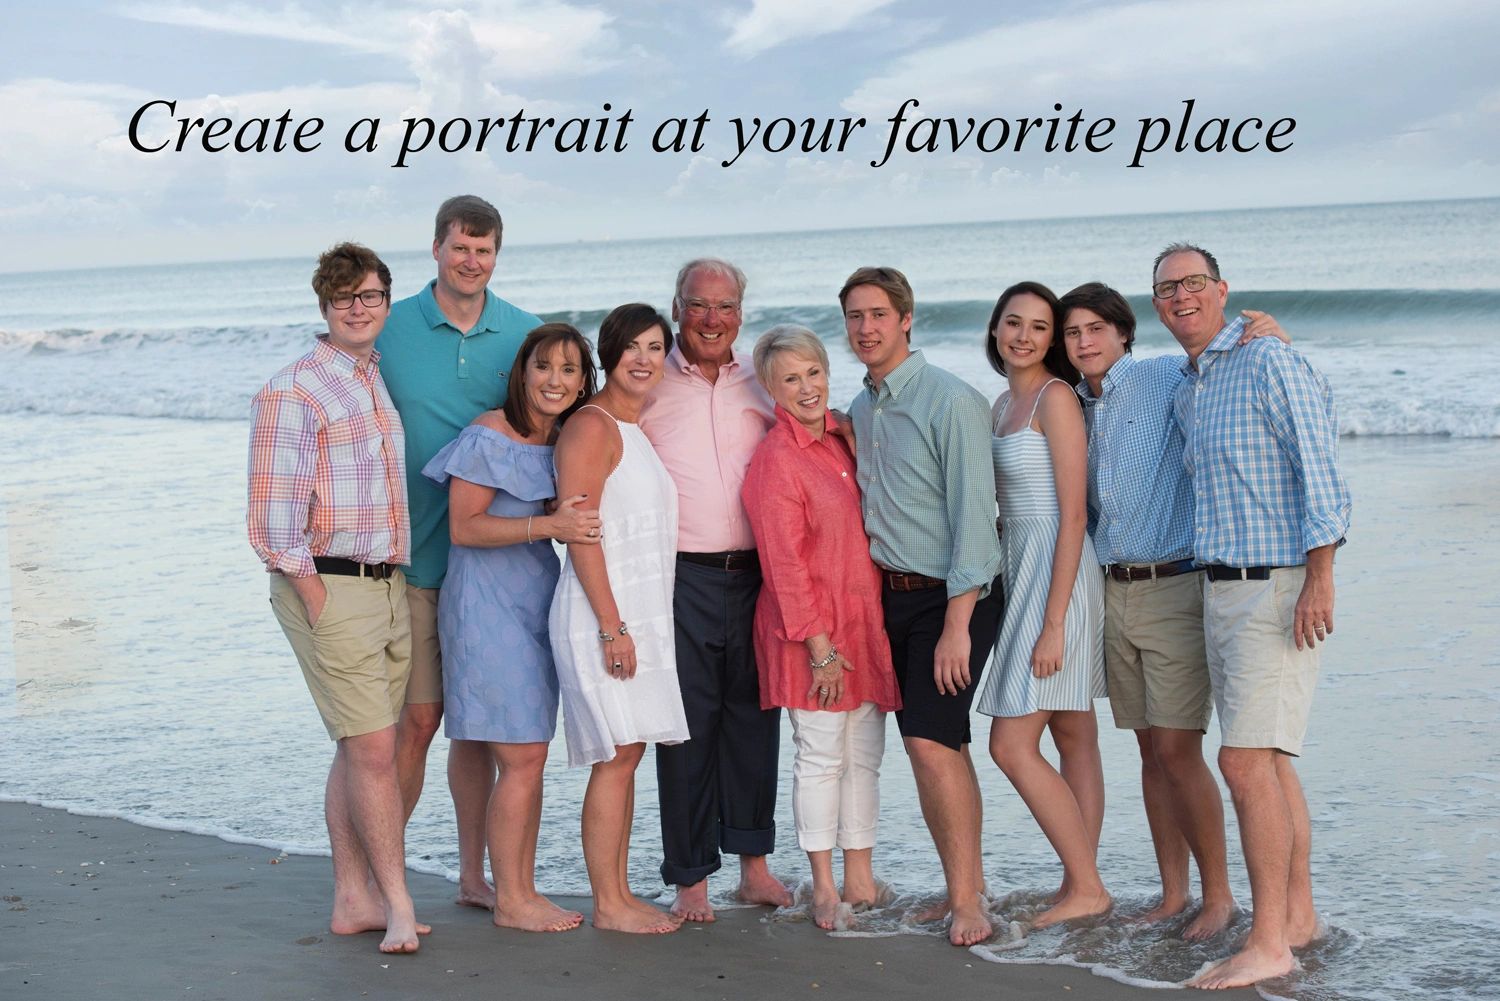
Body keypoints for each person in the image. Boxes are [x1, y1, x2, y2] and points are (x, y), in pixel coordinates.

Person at [1151, 243, 1351, 989]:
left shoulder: (1268, 360)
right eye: (1167, 289)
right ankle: (1297, 916)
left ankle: (1268, 943)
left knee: (1242, 763)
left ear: (1223, 290)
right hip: (1219, 589)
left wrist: (1321, 577)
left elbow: (1321, 471)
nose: (1181, 297)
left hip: (1278, 584)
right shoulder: (1189, 384)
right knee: (1268, 760)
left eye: (1195, 283)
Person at [1061, 282, 1284, 940]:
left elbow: (1222, 353)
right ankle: (1172, 892)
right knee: (1149, 753)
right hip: (1113, 590)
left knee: (1181, 750)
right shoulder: (1075, 405)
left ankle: (1219, 897)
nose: (1085, 342)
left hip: (1174, 583)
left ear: (1124, 332)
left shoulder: (1161, 376)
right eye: (1073, 332)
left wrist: (1269, 332)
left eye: (1097, 328)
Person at [248, 242, 427, 954]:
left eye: (373, 295)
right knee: (376, 750)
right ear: (324, 304)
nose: (361, 307)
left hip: (385, 584)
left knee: (359, 748)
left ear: (386, 302)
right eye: (347, 296)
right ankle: (399, 903)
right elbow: (269, 518)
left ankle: (353, 897)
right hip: (330, 585)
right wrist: (314, 591)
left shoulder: (370, 378)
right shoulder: (294, 389)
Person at [376, 195, 550, 910]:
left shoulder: (524, 333)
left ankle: (474, 876)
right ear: (437, 247)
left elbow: (567, 415)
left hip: (497, 574)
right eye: (459, 247)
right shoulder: (388, 327)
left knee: (480, 731)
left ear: (496, 255)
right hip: (410, 561)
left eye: (483, 250)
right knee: (417, 723)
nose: (470, 260)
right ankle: (380, 874)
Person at [840, 266, 1004, 947]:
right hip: (891, 599)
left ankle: (970, 901)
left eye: (879, 314)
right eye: (855, 316)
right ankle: (964, 886)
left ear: (907, 318)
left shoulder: (951, 400)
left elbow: (976, 520)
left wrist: (958, 626)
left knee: (932, 743)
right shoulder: (861, 406)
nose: (867, 327)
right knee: (937, 748)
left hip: (952, 597)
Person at [421, 323, 600, 933]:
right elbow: (465, 528)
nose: (556, 380)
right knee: (524, 754)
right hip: (484, 605)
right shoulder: (487, 435)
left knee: (480, 741)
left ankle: (480, 881)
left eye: (569, 370)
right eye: (544, 366)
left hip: (534, 603)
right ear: (523, 371)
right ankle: (516, 900)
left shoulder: (564, 441)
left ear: (583, 381)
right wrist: (548, 528)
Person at [638, 258, 792, 922]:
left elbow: (809, 439)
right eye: (698, 305)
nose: (710, 318)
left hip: (759, 574)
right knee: (686, 727)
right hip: (679, 575)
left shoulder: (764, 380)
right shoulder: (647, 382)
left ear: (741, 313)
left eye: (724, 306)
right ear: (676, 308)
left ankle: (754, 865)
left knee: (756, 718)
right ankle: (692, 874)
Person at [740, 325, 902, 931]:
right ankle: (825, 887)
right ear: (770, 389)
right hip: (812, 635)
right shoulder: (776, 460)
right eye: (790, 379)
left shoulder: (841, 437)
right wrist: (821, 649)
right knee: (821, 755)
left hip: (864, 622)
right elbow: (783, 566)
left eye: (813, 372)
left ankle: (860, 875)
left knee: (865, 755)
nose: (806, 387)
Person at [549, 303, 691, 934]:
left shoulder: (634, 428)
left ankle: (620, 893)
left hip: (636, 612)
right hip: (599, 614)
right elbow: (580, 533)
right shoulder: (591, 426)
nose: (643, 358)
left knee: (628, 752)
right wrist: (612, 626)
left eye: (656, 347)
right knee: (616, 755)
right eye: (631, 346)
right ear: (609, 352)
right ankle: (608, 905)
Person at [975, 281, 1110, 929]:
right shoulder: (1004, 401)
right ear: (996, 328)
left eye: (1038, 326)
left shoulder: (1055, 399)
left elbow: (1075, 514)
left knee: (1011, 742)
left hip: (1061, 573)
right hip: (1021, 568)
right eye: (1012, 322)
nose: (1023, 335)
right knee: (1072, 731)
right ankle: (1079, 882)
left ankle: (1087, 884)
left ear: (1053, 339)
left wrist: (1055, 621)